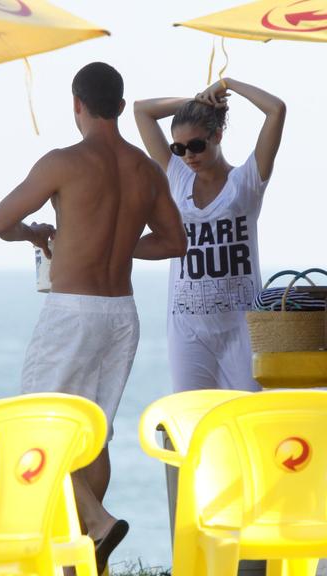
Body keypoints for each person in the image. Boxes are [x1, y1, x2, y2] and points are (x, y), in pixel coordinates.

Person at [0, 62, 186, 574]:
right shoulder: (146, 170)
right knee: (91, 437)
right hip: (120, 315)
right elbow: (174, 241)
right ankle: (86, 564)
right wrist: (118, 245)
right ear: (120, 107)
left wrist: (35, 235)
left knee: (34, 427)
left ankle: (95, 524)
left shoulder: (63, 162)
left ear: (77, 104)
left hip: (71, 313)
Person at [134, 78, 286, 393]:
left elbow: (276, 110)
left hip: (241, 330)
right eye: (179, 148)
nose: (188, 155)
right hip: (187, 332)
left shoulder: (246, 182)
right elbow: (141, 111)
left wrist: (227, 84)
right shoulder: (176, 176)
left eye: (197, 145)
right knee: (191, 423)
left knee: (243, 423)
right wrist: (197, 101)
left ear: (217, 135)